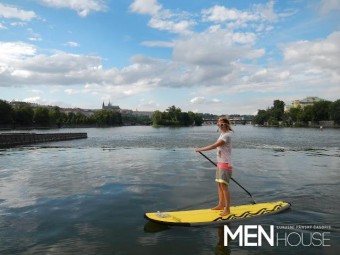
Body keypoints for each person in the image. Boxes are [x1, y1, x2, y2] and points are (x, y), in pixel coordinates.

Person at [195, 117, 233, 216]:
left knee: (224, 187)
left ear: (227, 125)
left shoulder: (227, 136)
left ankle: (227, 209)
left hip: (226, 164)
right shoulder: (222, 134)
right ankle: (220, 205)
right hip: (220, 163)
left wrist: (200, 149)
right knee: (219, 186)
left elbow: (214, 146)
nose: (219, 126)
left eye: (222, 124)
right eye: (218, 124)